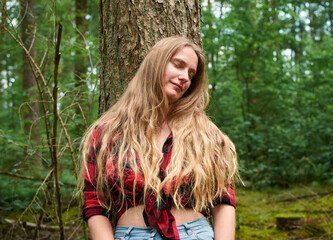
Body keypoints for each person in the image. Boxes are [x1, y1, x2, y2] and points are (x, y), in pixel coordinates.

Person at [79, 36, 239, 240]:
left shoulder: (205, 133)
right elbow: (94, 202)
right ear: (156, 63)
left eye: (191, 74)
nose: (184, 77)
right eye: (178, 65)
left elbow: (223, 199)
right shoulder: (109, 131)